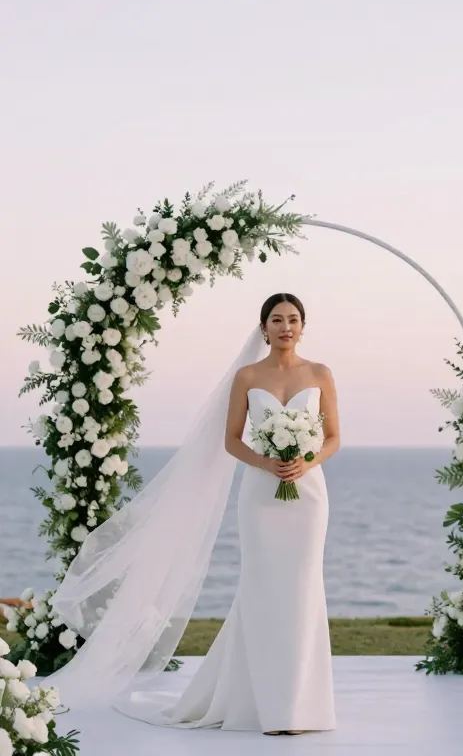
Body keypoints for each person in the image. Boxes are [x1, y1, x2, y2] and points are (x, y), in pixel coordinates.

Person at [44, 293, 340, 737]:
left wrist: (307, 461)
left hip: (308, 497)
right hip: (260, 495)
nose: (285, 327)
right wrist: (266, 463)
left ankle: (300, 706)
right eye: (276, 319)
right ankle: (261, 702)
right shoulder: (247, 376)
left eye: (293, 319)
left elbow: (334, 436)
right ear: (263, 327)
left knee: (302, 588)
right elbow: (232, 441)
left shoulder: (320, 374)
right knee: (262, 587)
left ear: (303, 325)